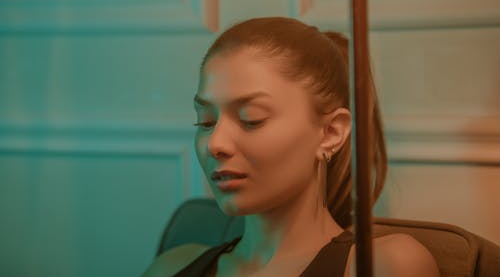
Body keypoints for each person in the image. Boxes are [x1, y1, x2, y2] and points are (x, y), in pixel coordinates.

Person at [142, 17, 440, 277]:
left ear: (330, 133)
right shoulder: (173, 266)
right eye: (205, 122)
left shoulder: (382, 265)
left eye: (251, 119)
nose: (216, 144)